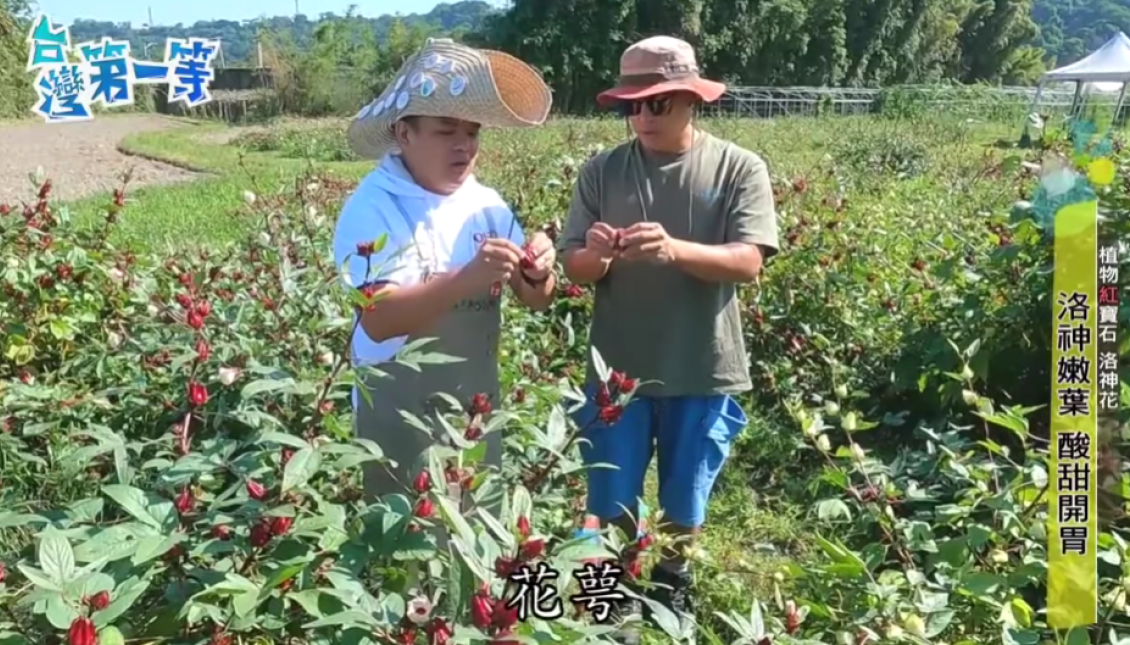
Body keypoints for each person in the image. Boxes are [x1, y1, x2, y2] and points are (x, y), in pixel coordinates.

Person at [558, 35, 780, 639]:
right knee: (609, 492)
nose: (642, 116)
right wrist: (597, 255)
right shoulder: (602, 171)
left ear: (690, 99)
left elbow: (749, 261)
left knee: (686, 495)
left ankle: (672, 581)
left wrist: (675, 249)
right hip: (617, 371)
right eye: (631, 105)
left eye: (656, 103)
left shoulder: (737, 167)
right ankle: (611, 593)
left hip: (700, 364)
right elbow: (574, 267)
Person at [334, 38, 556, 504]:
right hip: (398, 413)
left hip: (473, 409)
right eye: (445, 130)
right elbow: (377, 319)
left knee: (475, 528)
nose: (463, 145)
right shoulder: (373, 207)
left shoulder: (486, 205)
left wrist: (538, 270)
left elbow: (537, 298)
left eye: (472, 132)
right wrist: (466, 279)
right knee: (405, 534)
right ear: (404, 133)